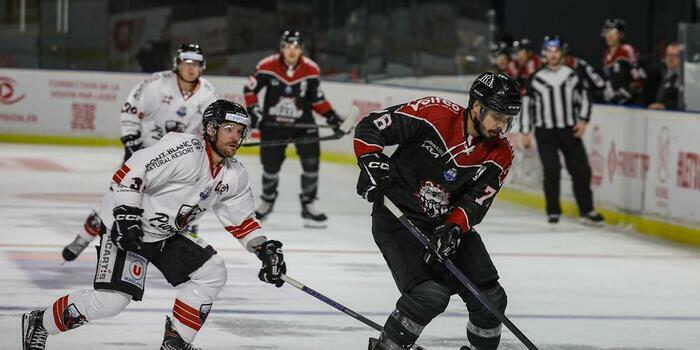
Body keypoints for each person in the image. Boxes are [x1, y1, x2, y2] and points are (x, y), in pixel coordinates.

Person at [21, 100, 287, 350]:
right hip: (127, 227)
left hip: (163, 234)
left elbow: (242, 221)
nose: (235, 137)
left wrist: (264, 249)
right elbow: (133, 170)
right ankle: (40, 322)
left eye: (240, 131)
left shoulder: (234, 174)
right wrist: (126, 216)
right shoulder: (185, 150)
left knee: (212, 270)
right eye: (229, 129)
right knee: (111, 302)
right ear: (211, 128)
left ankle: (176, 342)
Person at [354, 72, 521, 350]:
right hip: (398, 218)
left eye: (508, 119)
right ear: (477, 107)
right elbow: (373, 125)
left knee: (490, 301)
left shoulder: (501, 152)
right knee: (428, 295)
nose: (502, 126)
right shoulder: (434, 112)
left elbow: (477, 201)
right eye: (498, 116)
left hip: (446, 223)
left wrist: (455, 227)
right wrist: (371, 159)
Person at [61, 43, 218, 262]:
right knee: (116, 197)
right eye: (186, 62)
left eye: (196, 64)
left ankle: (183, 250)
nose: (191, 68)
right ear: (177, 64)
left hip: (178, 160)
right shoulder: (156, 84)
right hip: (144, 153)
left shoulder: (208, 94)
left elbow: (209, 129)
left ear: (202, 67)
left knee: (185, 202)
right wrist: (131, 141)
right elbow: (131, 110)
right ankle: (82, 239)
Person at [243, 29, 344, 228]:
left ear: (302, 49)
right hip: (273, 125)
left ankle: (309, 204)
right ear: (281, 48)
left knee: (311, 163)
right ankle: (267, 201)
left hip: (303, 125)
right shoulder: (266, 66)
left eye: (296, 47)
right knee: (270, 167)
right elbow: (250, 90)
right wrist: (254, 110)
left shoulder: (311, 69)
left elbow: (316, 98)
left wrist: (331, 116)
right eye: (288, 46)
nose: (291, 50)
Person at [521, 35, 604, 225]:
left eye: (556, 51)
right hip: (545, 131)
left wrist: (583, 121)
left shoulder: (572, 75)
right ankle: (553, 211)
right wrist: (526, 132)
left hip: (569, 130)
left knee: (581, 170)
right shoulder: (535, 79)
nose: (552, 55)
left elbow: (585, 97)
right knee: (552, 170)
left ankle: (587, 210)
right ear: (544, 54)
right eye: (549, 51)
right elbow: (527, 106)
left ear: (562, 53)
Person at [600, 18, 642, 105]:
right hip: (611, 102)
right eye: (607, 31)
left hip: (629, 104)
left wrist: (628, 91)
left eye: (614, 32)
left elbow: (639, 78)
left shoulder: (626, 50)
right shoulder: (606, 55)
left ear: (621, 35)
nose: (609, 35)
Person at [647, 42, 682, 110]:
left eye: (676, 56)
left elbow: (685, 101)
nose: (671, 59)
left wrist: (665, 106)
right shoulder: (658, 74)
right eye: (669, 55)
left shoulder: (684, 77)